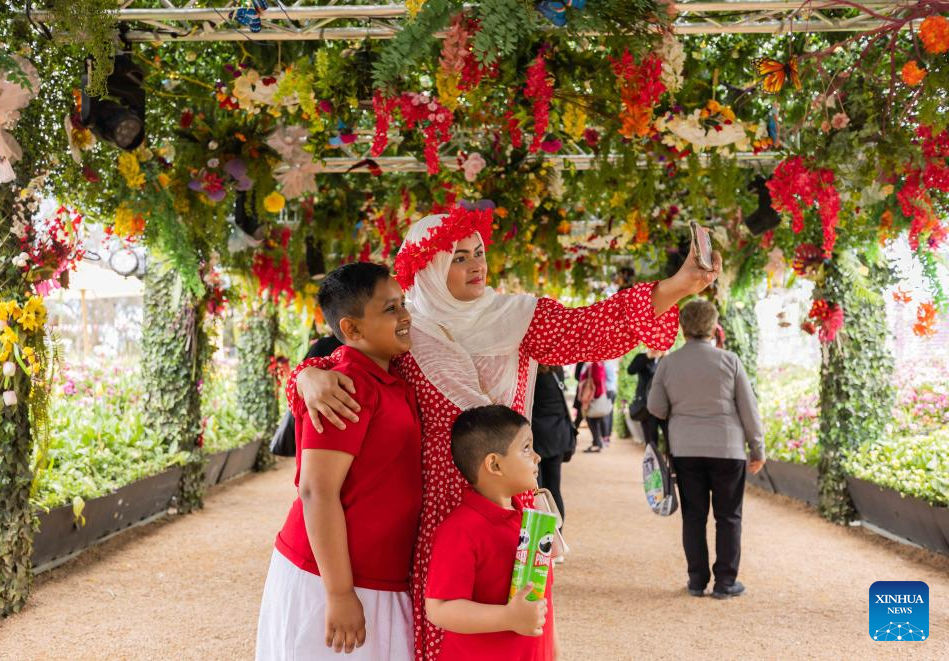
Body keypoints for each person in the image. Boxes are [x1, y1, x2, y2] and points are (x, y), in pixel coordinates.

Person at [287, 207, 720, 659]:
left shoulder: (518, 320)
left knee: (525, 629)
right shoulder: (405, 330)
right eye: (458, 258)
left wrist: (679, 285)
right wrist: (305, 375)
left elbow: (594, 328)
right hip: (440, 514)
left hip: (513, 505)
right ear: (428, 267)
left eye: (479, 253)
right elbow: (344, 360)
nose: (476, 265)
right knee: (450, 634)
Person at [256, 263, 422, 660]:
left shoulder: (387, 374)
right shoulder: (346, 385)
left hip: (378, 576)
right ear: (352, 328)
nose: (404, 316)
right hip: (331, 577)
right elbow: (316, 491)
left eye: (403, 304)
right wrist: (339, 593)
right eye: (390, 309)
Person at [646, 299, 764, 600]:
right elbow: (749, 409)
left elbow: (655, 407)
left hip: (686, 449)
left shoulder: (668, 363)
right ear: (713, 327)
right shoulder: (730, 361)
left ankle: (697, 581)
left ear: (682, 328)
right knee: (729, 517)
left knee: (694, 516)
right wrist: (757, 449)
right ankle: (725, 582)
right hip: (728, 449)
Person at [425, 405, 554, 660]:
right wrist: (508, 617)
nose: (537, 457)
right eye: (526, 448)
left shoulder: (529, 521)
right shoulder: (460, 530)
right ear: (494, 464)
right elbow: (439, 609)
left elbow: (545, 605)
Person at [530, 365, 575, 521]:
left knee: (538, 491)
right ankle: (558, 533)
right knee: (554, 490)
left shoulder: (532, 374)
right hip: (557, 436)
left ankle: (543, 534)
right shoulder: (557, 370)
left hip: (536, 438)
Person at [626, 349, 668, 451]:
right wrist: (647, 357)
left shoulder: (669, 358)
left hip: (664, 404)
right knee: (650, 439)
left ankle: (670, 461)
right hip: (646, 404)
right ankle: (652, 459)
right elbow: (631, 370)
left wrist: (666, 357)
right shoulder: (642, 357)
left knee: (669, 438)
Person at [579, 360, 608, 453]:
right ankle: (597, 443)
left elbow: (596, 380)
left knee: (591, 420)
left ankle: (596, 444)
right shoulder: (601, 364)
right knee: (595, 421)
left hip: (594, 396)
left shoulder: (594, 364)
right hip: (598, 394)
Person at [602, 359, 619, 444]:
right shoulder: (611, 365)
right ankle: (608, 435)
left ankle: (605, 436)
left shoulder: (605, 365)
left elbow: (603, 379)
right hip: (613, 390)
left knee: (606, 414)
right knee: (610, 413)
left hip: (607, 390)